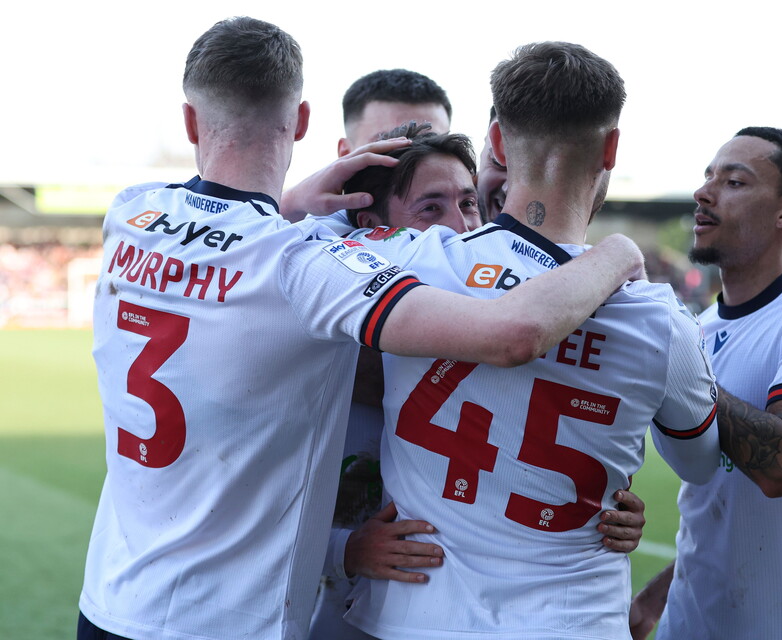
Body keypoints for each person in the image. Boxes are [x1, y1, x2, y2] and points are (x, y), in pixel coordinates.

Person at [75, 18, 647, 640]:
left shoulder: (132, 210)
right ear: (302, 122)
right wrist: (616, 253)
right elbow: (514, 334)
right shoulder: (307, 266)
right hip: (233, 622)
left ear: (191, 122)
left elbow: (226, 236)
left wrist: (291, 202)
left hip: (109, 602)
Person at [339, 42, 720, 640]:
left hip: (417, 616)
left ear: (494, 141)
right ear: (611, 149)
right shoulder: (660, 318)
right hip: (573, 623)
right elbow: (699, 462)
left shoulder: (411, 260)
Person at [311, 122, 648, 640]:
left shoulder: (499, 304)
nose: (458, 228)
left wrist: (599, 507)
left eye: (468, 204)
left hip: (420, 610)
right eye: (430, 209)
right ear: (366, 227)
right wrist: (342, 550)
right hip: (320, 612)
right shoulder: (316, 334)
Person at [629, 128, 782, 639]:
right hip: (690, 623)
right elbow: (717, 499)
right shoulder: (696, 331)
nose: (704, 192)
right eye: (707, 177)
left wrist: (675, 373)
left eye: (735, 182)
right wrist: (656, 596)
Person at [281, 69, 452, 223]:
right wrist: (293, 203)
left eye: (429, 141)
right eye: (388, 143)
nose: (413, 157)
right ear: (345, 153)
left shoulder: (474, 222)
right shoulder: (320, 230)